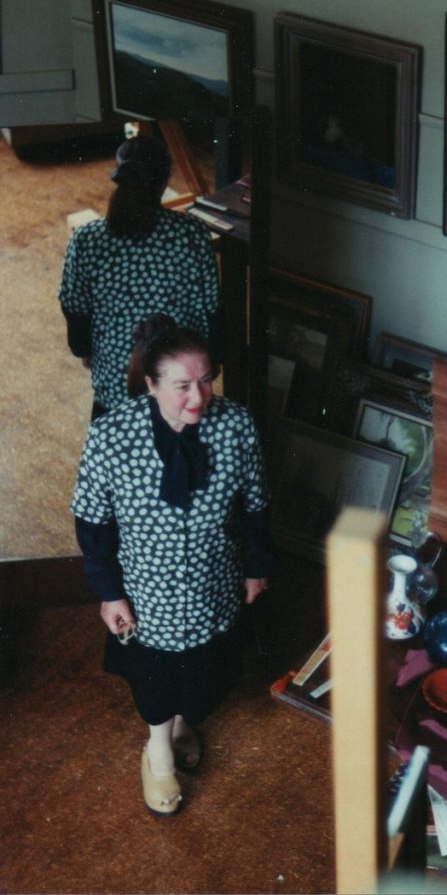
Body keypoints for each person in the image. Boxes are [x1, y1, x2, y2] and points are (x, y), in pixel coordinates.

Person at [70, 318, 272, 816]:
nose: (199, 397)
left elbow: (257, 505)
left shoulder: (236, 425)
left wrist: (255, 567)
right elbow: (92, 521)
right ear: (152, 384)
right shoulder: (113, 435)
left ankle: (184, 725)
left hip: (214, 579)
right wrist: (109, 592)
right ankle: (158, 750)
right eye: (182, 385)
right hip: (146, 588)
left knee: (204, 673)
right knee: (157, 676)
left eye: (206, 380)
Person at [59, 133, 223, 419]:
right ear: (164, 182)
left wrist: (84, 350)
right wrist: (212, 361)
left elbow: (75, 309)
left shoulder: (87, 240)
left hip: (116, 389)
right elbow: (212, 310)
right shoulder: (193, 235)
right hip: (182, 390)